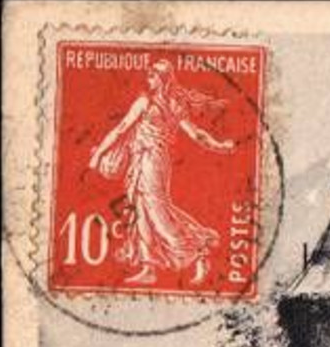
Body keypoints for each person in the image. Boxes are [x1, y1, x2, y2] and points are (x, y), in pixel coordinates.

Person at [87, 59, 235, 286]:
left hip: (152, 160)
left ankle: (197, 250)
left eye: (153, 76)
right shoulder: (171, 104)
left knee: (157, 212)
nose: (149, 80)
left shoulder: (149, 103)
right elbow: (195, 134)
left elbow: (121, 130)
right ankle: (149, 267)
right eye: (149, 76)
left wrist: (98, 155)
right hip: (143, 159)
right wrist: (219, 145)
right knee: (141, 210)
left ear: (163, 79)